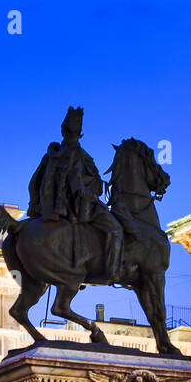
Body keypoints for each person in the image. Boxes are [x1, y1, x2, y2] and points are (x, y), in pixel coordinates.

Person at [27, 107, 124, 281]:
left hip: (56, 208)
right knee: (115, 229)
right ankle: (112, 271)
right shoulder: (76, 154)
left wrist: (37, 204)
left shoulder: (52, 154)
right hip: (81, 206)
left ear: (63, 130)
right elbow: (77, 183)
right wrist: (90, 193)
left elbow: (34, 182)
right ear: (79, 133)